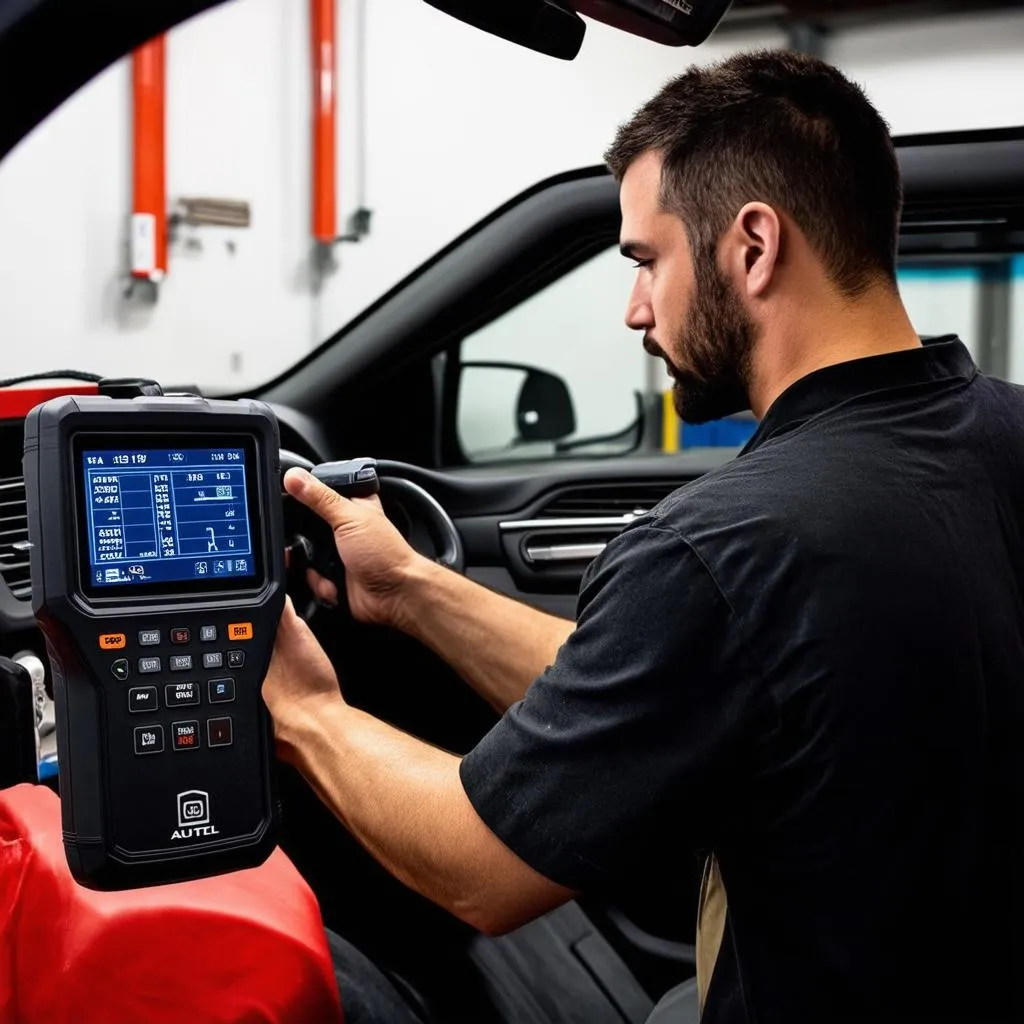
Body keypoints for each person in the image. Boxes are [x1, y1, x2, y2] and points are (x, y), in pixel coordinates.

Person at [263, 49, 1024, 1024]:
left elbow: (476, 869)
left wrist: (299, 711)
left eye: (644, 260)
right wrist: (411, 589)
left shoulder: (727, 545)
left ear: (752, 246)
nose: (632, 307)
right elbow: (657, 679)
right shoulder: (997, 438)